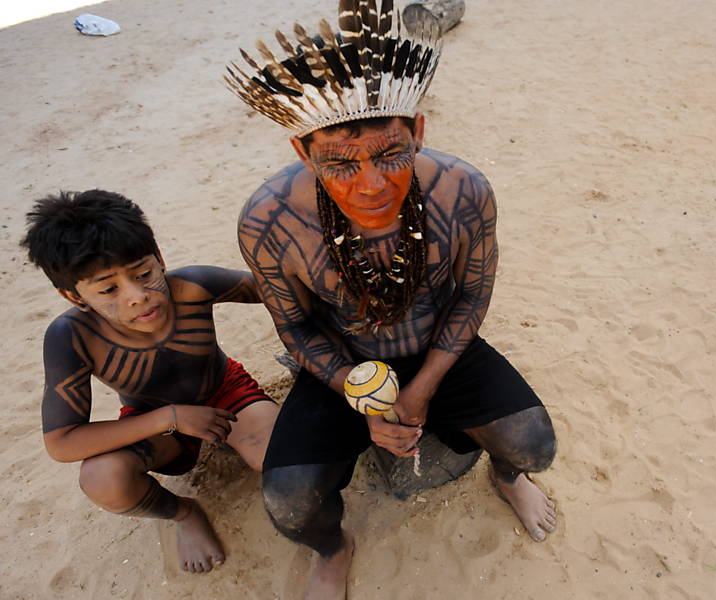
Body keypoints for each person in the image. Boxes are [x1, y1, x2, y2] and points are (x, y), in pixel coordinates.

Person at [229, 2, 557, 598]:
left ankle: (506, 478)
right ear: (303, 153)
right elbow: (297, 330)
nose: (371, 184)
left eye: (390, 153)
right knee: (290, 504)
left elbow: (473, 294)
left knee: (535, 445)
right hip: (342, 360)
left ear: (419, 131)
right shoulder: (269, 220)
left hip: (441, 349)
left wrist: (422, 386)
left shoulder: (463, 190)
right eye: (339, 165)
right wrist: (364, 396)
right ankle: (334, 549)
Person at [21, 190, 281, 574]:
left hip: (228, 395)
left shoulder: (191, 287)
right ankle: (184, 515)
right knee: (101, 478)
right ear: (74, 296)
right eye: (108, 289)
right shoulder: (72, 338)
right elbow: (61, 442)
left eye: (143, 274)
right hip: (155, 425)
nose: (137, 297)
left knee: (279, 458)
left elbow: (281, 291)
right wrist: (170, 418)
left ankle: (241, 439)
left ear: (159, 258)